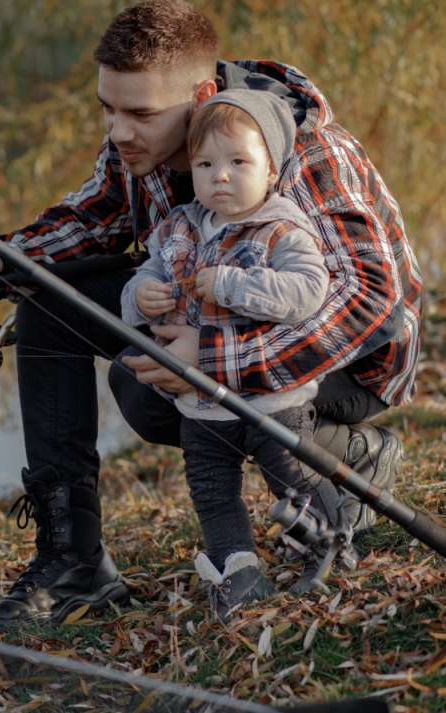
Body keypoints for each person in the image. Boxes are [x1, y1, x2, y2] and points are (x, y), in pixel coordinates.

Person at [0, 0, 422, 635]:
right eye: (107, 109)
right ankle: (74, 566)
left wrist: (214, 358)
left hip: (350, 368)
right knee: (51, 303)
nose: (117, 131)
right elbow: (92, 216)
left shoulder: (303, 152)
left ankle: (346, 454)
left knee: (159, 383)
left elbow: (369, 301)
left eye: (138, 113)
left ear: (200, 94)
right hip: (213, 320)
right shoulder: (141, 147)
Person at [122, 90, 348, 617]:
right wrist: (139, 296)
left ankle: (334, 534)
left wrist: (230, 285)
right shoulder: (179, 226)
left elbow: (307, 292)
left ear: (271, 170)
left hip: (271, 398)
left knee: (292, 477)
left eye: (238, 162)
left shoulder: (282, 227)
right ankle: (237, 568)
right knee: (212, 493)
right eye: (205, 164)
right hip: (200, 407)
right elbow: (143, 280)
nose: (219, 176)